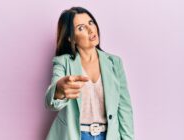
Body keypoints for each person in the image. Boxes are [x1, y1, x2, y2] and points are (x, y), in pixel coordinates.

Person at [45, 6, 134, 140]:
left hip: (108, 136)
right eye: (81, 28)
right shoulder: (63, 62)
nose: (91, 29)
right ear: (71, 38)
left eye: (91, 23)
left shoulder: (115, 63)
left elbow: (124, 108)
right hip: (74, 135)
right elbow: (51, 103)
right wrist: (59, 90)